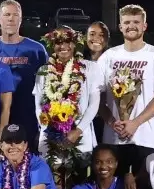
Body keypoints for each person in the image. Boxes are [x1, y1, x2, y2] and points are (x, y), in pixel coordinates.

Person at [100, 5, 154, 189]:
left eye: (136, 22)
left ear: (144, 25)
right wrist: (113, 122)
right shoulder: (109, 56)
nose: (131, 26)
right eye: (127, 22)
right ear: (120, 26)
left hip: (146, 137)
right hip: (114, 136)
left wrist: (136, 122)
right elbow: (99, 98)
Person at [32, 27, 102, 156]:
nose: (63, 46)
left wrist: (77, 131)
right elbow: (39, 107)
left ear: (75, 43)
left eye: (67, 41)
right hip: (50, 140)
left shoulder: (90, 68)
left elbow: (94, 105)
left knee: (80, 176)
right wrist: (50, 130)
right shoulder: (44, 71)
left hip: (81, 139)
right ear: (52, 45)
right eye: (58, 42)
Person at [0, 0, 47, 139]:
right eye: (7, 14)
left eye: (15, 15)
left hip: (27, 115)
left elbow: (48, 83)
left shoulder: (36, 49)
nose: (11, 18)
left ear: (21, 20)